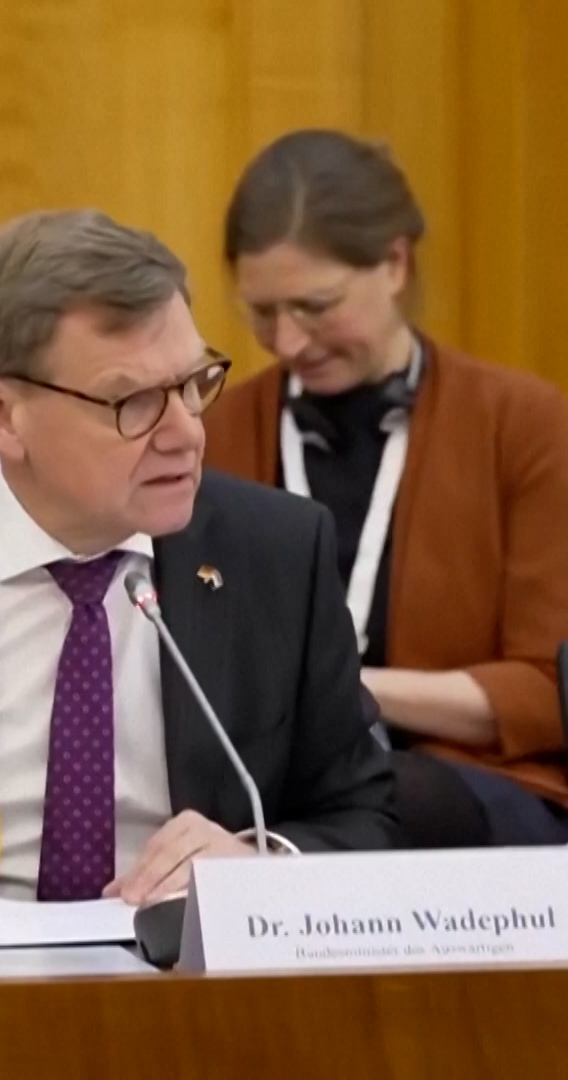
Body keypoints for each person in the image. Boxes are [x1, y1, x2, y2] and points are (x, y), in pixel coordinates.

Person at [0, 209, 395, 916]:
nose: (185, 432)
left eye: (194, 384)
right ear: (2, 413)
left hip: (182, 970)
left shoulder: (277, 553)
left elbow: (367, 816)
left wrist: (262, 864)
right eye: (133, 401)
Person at [205, 130, 568, 847]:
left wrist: (346, 692)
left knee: (377, 797)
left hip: (474, 780)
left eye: (316, 306)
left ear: (396, 264)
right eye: (262, 313)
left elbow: (548, 690)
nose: (288, 342)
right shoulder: (214, 434)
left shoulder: (525, 424)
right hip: (268, 781)